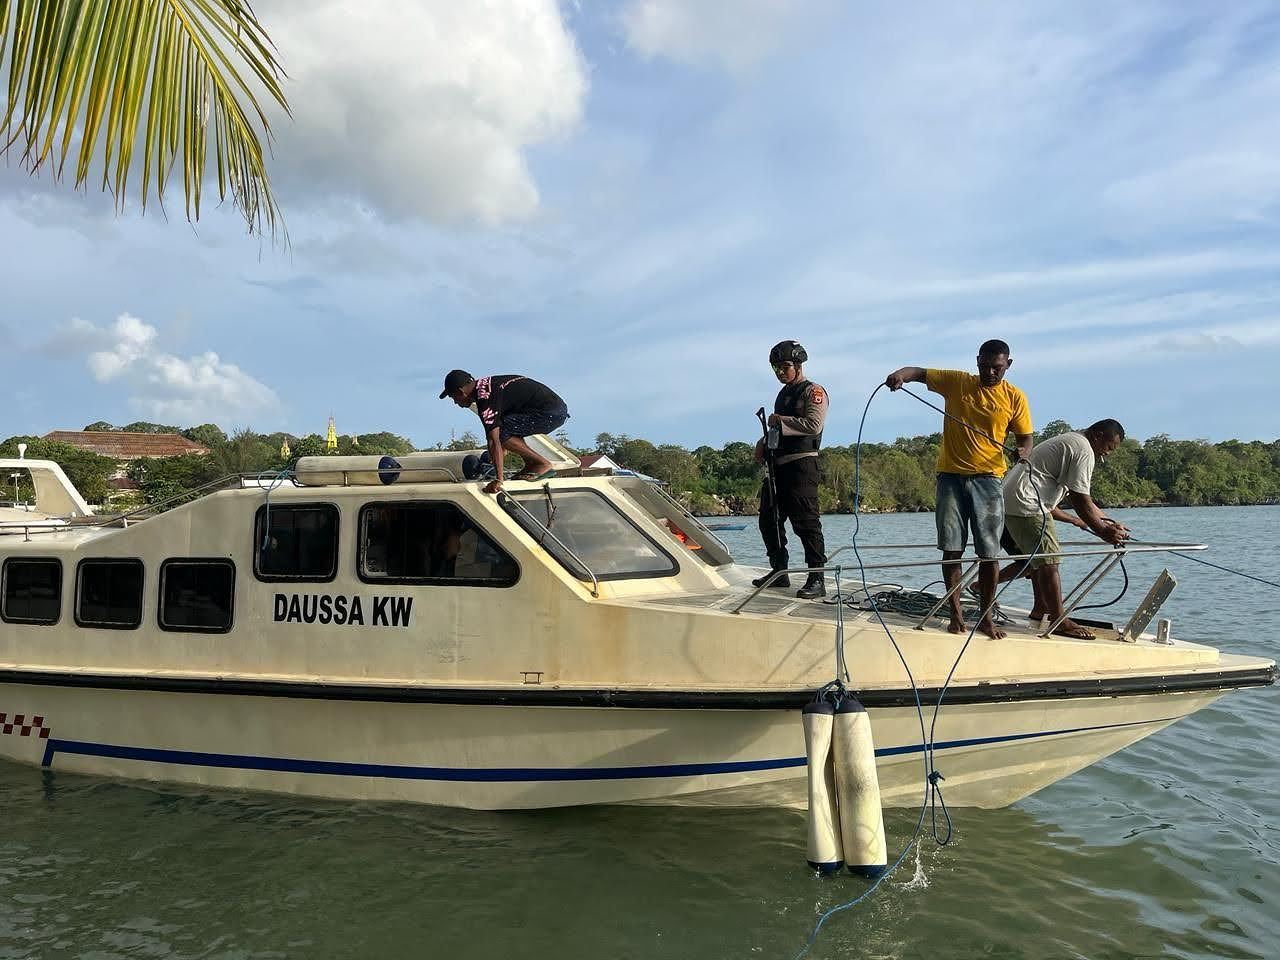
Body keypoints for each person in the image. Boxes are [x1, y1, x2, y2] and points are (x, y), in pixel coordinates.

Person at [885, 340, 1033, 639]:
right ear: (977, 361)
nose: (990, 372)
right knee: (952, 549)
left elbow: (1026, 440)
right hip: (950, 478)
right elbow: (919, 372)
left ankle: (987, 617)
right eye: (985, 366)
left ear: (1008, 365)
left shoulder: (1014, 397)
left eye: (997, 368)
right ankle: (955, 613)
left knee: (989, 553)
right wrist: (899, 374)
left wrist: (1023, 452)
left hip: (989, 479)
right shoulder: (957, 382)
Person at [997, 420, 1130, 638]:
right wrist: (1103, 532)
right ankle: (1059, 621)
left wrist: (1108, 521)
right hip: (1027, 502)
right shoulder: (1084, 449)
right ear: (1097, 435)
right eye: (1108, 448)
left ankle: (1041, 609)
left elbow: (1081, 498)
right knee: (1050, 559)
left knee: (1038, 559)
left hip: (1011, 502)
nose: (1106, 455)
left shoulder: (1073, 441)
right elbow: (1080, 499)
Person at [752, 340, 829, 599]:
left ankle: (817, 578)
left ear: (797, 365)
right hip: (778, 468)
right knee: (769, 520)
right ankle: (779, 571)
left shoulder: (813, 391)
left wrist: (781, 421)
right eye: (776, 368)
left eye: (785, 367)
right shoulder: (782, 395)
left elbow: (813, 424)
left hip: (802, 466)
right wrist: (762, 443)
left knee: (806, 524)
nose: (780, 372)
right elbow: (776, 429)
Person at [440, 371, 569, 494]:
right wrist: (495, 456)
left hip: (550, 413)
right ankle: (531, 463)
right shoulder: (486, 386)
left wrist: (499, 479)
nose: (456, 402)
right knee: (507, 425)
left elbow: (493, 440)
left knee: (500, 431)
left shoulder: (485, 401)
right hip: (553, 408)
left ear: (460, 392)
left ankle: (541, 463)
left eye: (453, 398)